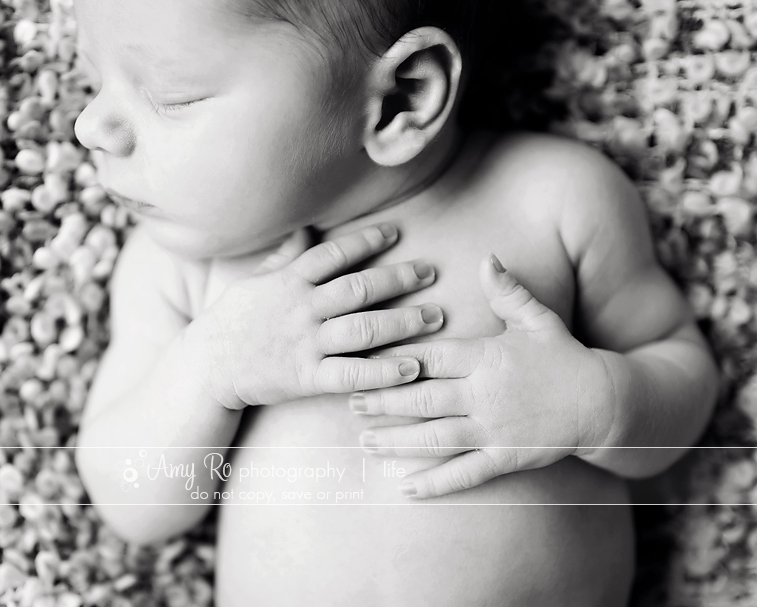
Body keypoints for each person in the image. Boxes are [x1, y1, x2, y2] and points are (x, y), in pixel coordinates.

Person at [71, 0, 720, 604]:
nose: (90, 125)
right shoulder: (183, 273)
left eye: (170, 96)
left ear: (400, 100)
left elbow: (684, 379)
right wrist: (209, 371)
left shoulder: (554, 199)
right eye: (93, 78)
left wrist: (596, 404)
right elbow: (133, 504)